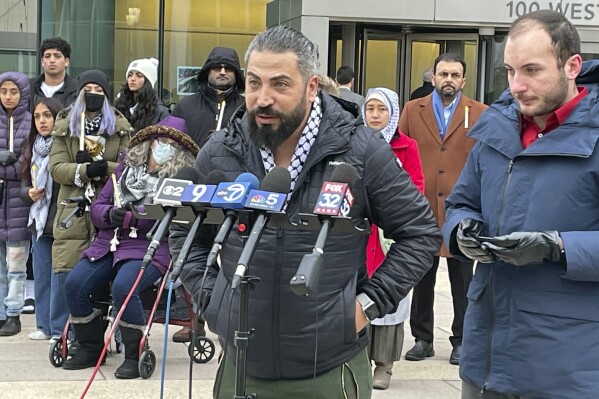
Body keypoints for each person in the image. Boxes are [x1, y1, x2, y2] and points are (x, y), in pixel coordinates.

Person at [171, 25, 441, 398]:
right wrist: (215, 301)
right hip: (242, 369)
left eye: (280, 84)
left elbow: (420, 233)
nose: (262, 99)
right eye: (253, 83)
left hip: (330, 369)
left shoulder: (360, 150)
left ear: (312, 87)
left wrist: (365, 305)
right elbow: (185, 231)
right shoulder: (221, 150)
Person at [443, 10, 599, 399]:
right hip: (484, 361)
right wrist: (462, 231)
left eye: (531, 70)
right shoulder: (497, 128)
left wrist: (557, 247)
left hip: (566, 369)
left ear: (572, 66)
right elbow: (461, 202)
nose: (517, 85)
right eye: (510, 71)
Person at [62, 116, 198, 374]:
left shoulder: (181, 178)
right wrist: (106, 215)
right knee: (74, 284)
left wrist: (124, 216)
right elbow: (99, 206)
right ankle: (91, 349)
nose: (165, 146)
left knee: (125, 286)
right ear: (150, 140)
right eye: (161, 140)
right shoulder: (126, 168)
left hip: (151, 246)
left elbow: (162, 217)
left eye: (172, 143)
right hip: (110, 242)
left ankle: (134, 355)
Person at [398, 53, 487, 365]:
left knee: (463, 279)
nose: (448, 79)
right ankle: (422, 338)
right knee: (421, 277)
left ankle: (462, 339)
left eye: (454, 75)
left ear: (463, 81)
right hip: (420, 207)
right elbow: (400, 154)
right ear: (432, 78)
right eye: (443, 74)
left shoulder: (479, 112)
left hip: (461, 209)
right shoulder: (412, 110)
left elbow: (485, 161)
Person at [49, 70, 132, 338]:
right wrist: (84, 169)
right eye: (88, 88)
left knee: (103, 275)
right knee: (70, 273)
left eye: (98, 89)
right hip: (73, 211)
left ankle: (105, 334)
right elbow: (57, 168)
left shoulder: (120, 127)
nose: (92, 94)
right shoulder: (65, 126)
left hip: (107, 210)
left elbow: (129, 168)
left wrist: (102, 168)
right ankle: (72, 334)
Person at [362, 87, 424, 390]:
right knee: (358, 294)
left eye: (381, 109)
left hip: (390, 237)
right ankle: (358, 358)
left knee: (390, 296)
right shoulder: (353, 144)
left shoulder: (406, 147)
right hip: (360, 235)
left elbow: (415, 188)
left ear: (393, 113)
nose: (375, 115)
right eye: (370, 108)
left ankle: (384, 365)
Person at [20, 97, 65, 340]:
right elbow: (23, 184)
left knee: (59, 277)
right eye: (37, 116)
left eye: (47, 115)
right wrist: (27, 193)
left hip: (59, 220)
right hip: (38, 221)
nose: (42, 121)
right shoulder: (32, 147)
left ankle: (58, 329)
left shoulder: (64, 145)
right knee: (42, 275)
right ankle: (44, 326)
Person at [0, 72, 33, 336]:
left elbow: (29, 166)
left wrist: (9, 167)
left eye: (14, 91)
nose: (8, 96)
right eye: (3, 91)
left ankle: (14, 313)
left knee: (16, 265)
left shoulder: (32, 122)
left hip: (20, 206)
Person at [172, 46, 245, 147]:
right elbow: (171, 144)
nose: (223, 72)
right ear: (207, 71)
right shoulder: (185, 106)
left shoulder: (246, 107)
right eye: (217, 67)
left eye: (228, 68)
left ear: (236, 73)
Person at [115, 57, 170, 135]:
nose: (132, 79)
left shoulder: (160, 112)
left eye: (139, 75)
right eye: (130, 75)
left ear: (148, 81)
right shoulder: (120, 107)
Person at [29, 37, 78, 109]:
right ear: (42, 61)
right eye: (47, 56)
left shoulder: (77, 89)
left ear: (66, 61)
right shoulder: (29, 87)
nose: (52, 60)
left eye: (57, 56)